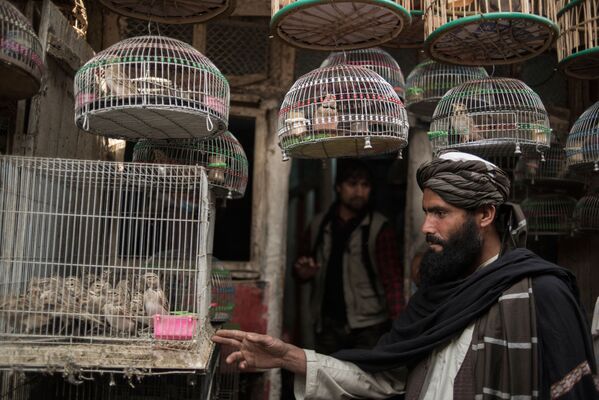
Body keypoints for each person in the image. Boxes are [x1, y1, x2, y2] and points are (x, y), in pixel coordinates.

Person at [213, 152, 598, 400]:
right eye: (426, 212)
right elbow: (388, 381)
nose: (426, 227)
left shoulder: (540, 292)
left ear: (485, 215)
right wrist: (292, 357)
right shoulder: (437, 297)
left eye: (441, 213)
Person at [294, 158, 403, 354]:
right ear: (338, 187)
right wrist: (303, 272)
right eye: (352, 184)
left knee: (364, 382)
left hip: (368, 326)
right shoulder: (319, 224)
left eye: (365, 185)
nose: (359, 192)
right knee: (326, 380)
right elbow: (300, 266)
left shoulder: (379, 228)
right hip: (327, 323)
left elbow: (392, 279)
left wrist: (399, 326)